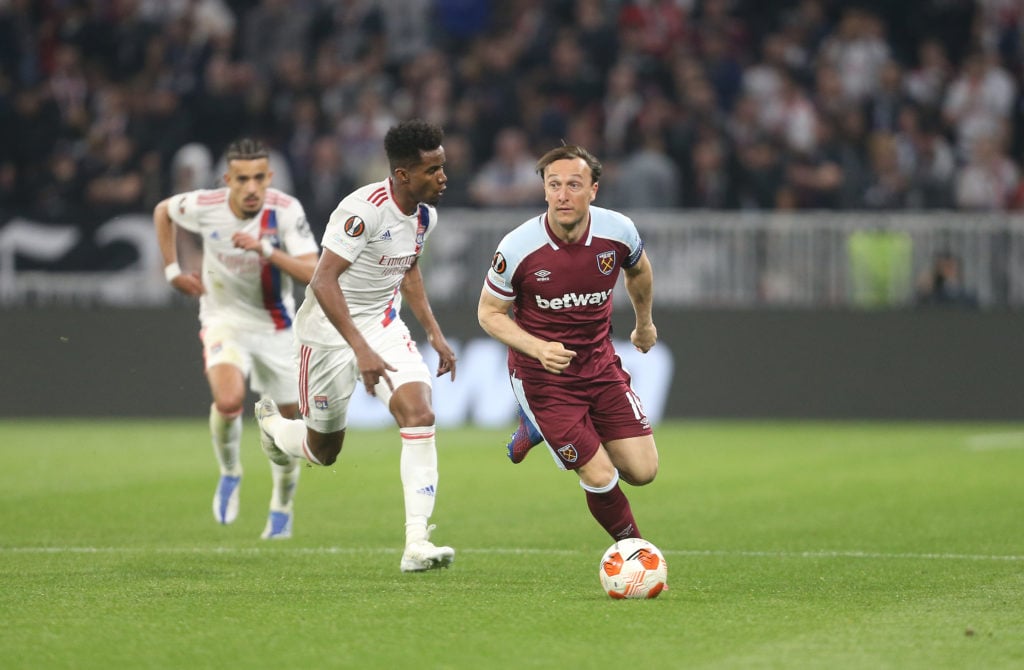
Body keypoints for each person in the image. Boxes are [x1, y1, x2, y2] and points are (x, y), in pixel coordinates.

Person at [254, 119, 458, 572]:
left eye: (443, 166)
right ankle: (274, 427)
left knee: (419, 413)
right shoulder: (362, 210)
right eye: (433, 170)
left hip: (383, 325)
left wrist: (433, 332)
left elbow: (408, 270)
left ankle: (416, 543)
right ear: (403, 174)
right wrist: (360, 349)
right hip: (326, 334)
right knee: (323, 451)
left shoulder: (425, 214)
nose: (443, 177)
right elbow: (324, 280)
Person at [477, 143, 659, 543]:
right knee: (599, 473)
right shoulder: (518, 247)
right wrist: (538, 348)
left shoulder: (618, 231)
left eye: (574, 185)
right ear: (543, 190)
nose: (562, 194)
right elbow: (489, 313)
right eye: (554, 184)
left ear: (593, 189)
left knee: (643, 472)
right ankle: (634, 553)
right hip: (544, 378)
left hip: (601, 366)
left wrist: (644, 324)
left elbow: (640, 271)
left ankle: (540, 429)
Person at [154, 137, 319, 539]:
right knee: (228, 400)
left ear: (270, 178)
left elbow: (312, 270)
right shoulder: (206, 206)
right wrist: (172, 270)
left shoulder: (284, 211)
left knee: (288, 425)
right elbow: (163, 211)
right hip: (223, 318)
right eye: (242, 179)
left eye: (259, 178)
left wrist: (266, 250)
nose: (251, 187)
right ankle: (230, 472)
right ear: (227, 179)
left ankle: (282, 501)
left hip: (276, 327)